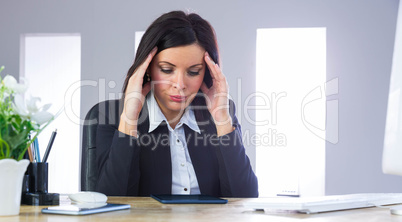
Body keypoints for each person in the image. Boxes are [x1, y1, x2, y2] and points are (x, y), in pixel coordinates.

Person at [95, 10, 258, 197]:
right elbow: (111, 201)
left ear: (206, 74)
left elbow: (246, 197)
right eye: (166, 69)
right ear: (147, 69)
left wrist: (222, 119)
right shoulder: (111, 115)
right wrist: (129, 119)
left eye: (193, 72)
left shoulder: (221, 113)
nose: (180, 85)